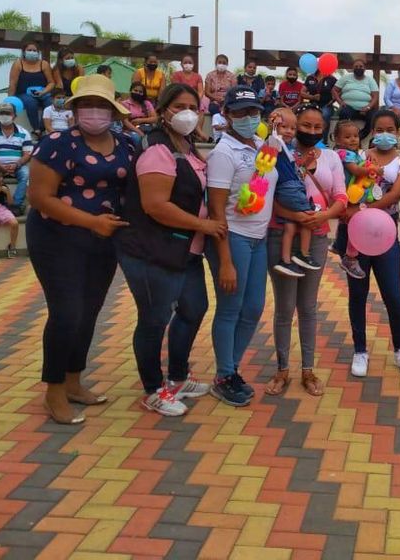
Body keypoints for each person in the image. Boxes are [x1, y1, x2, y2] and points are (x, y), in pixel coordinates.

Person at [27, 74, 134, 424]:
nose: (94, 112)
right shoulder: (57, 143)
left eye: (101, 105)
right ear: (74, 110)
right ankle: (54, 390)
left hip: (102, 242)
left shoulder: (127, 144)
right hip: (56, 238)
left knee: (89, 312)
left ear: (113, 111)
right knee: (66, 313)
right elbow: (39, 197)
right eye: (86, 105)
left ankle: (74, 381)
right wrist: (91, 222)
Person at [115, 83, 225, 416]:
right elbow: (156, 205)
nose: (187, 113)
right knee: (155, 318)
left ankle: (178, 376)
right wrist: (205, 225)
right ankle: (153, 389)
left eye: (193, 107)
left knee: (194, 308)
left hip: (184, 250)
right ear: (163, 111)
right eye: (179, 107)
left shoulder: (186, 146)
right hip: (152, 250)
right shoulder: (157, 149)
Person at [203, 88, 284, 406]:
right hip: (233, 237)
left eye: (253, 112)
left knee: (253, 308)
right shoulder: (224, 153)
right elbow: (216, 211)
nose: (248, 118)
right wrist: (225, 261)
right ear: (226, 114)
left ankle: (231, 370)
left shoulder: (261, 145)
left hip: (258, 238)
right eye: (240, 112)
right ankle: (224, 375)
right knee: (230, 308)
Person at [265, 105, 347, 397]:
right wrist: (296, 216)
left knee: (308, 307)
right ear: (292, 124)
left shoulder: (331, 158)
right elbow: (265, 192)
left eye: (317, 127)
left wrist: (322, 216)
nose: (311, 131)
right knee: (285, 307)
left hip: (317, 237)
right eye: (305, 125)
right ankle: (282, 369)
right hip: (281, 235)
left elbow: (341, 197)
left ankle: (308, 371)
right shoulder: (276, 152)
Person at [346, 109, 400, 377]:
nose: (385, 134)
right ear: (372, 132)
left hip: (386, 237)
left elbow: (395, 194)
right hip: (358, 235)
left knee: (393, 295)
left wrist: (363, 207)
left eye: (390, 130)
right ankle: (359, 351)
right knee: (357, 294)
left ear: (398, 132)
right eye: (379, 130)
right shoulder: (359, 157)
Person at [268, 107, 320, 278]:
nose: (289, 131)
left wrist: (307, 161)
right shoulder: (276, 144)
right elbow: (272, 139)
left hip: (291, 186)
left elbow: (298, 170)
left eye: (292, 128)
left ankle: (285, 260)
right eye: (284, 127)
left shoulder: (290, 148)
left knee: (290, 226)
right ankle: (303, 253)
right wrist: (273, 126)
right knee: (308, 218)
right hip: (289, 188)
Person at [333, 120, 377, 279]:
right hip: (349, 195)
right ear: (337, 140)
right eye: (347, 137)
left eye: (355, 136)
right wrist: (373, 170)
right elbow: (356, 171)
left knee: (347, 222)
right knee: (357, 226)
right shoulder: (344, 154)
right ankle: (350, 258)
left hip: (353, 194)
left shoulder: (355, 154)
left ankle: (338, 244)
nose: (353, 139)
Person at [0, 102, 33, 213]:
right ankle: (2, 204)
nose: (5, 115)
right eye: (2, 113)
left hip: (17, 166)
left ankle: (15, 205)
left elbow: (27, 154)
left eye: (8, 113)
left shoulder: (24, 132)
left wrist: (17, 164)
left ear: (15, 115)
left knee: (26, 174)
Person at [7, 42, 54, 132]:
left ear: (38, 52)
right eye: (29, 50)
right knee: (31, 102)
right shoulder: (18, 64)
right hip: (23, 94)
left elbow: (51, 83)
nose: (32, 52)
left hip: (42, 93)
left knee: (50, 102)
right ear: (24, 52)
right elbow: (13, 84)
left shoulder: (44, 64)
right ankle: (36, 129)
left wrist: (43, 92)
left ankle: (42, 128)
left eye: (34, 50)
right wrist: (9, 102)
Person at [334, 59, 379, 142]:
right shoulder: (345, 78)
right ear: (353, 68)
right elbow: (334, 90)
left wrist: (368, 107)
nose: (358, 68)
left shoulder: (370, 80)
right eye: (356, 66)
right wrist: (340, 102)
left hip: (366, 109)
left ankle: (359, 137)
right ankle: (342, 137)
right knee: (344, 113)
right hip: (349, 107)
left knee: (374, 117)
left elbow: (375, 96)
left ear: (364, 68)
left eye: (361, 66)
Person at [303, 72, 336, 142]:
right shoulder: (310, 78)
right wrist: (312, 97)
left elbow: (339, 91)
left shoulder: (332, 79)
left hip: (326, 105)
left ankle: (322, 141)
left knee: (324, 115)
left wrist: (332, 101)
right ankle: (309, 140)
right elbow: (302, 93)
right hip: (313, 105)